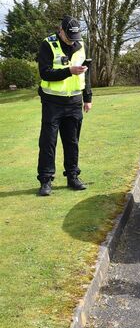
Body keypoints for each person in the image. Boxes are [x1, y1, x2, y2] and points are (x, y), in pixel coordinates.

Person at [36, 15, 92, 196]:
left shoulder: (81, 44)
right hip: (52, 102)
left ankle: (73, 176)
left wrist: (88, 97)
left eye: (74, 38)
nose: (71, 41)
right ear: (61, 31)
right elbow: (45, 73)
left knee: (72, 142)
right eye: (68, 37)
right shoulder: (48, 44)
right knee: (48, 142)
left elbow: (86, 74)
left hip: (74, 102)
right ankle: (45, 180)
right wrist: (69, 71)